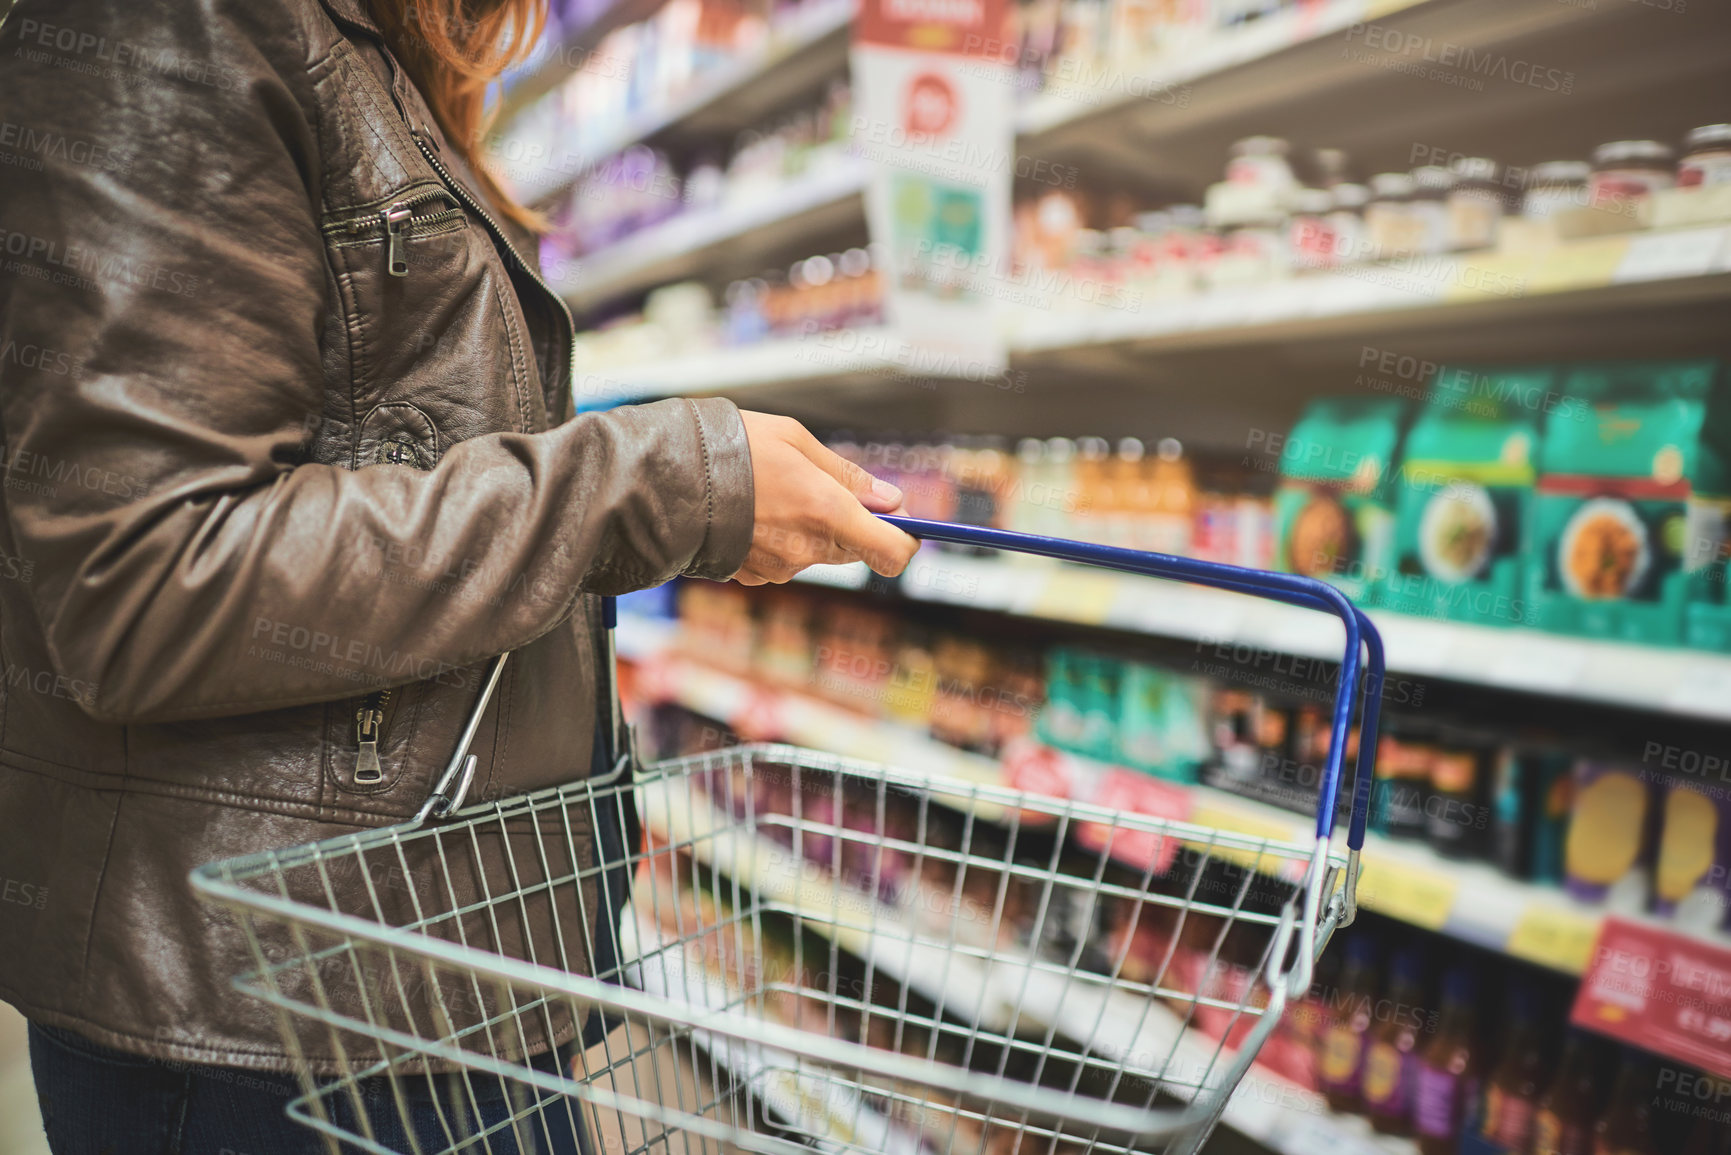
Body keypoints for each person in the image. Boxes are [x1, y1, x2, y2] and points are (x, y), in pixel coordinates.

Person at [0, 0, 918, 1149]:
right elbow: (146, 581)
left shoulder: (367, 54)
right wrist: (657, 484)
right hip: (280, 1025)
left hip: (428, 969)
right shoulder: (174, 24)